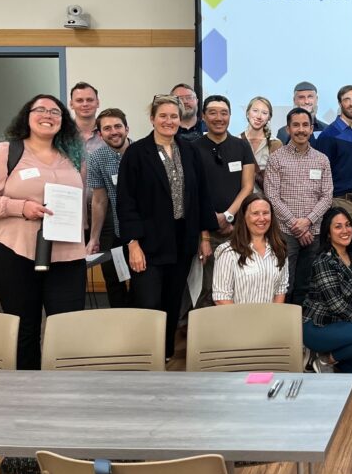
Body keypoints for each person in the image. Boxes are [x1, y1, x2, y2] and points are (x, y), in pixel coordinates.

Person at [0, 94, 87, 369]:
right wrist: (20, 207)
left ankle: (65, 388)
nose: (48, 115)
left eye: (55, 112)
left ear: (63, 120)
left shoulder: (73, 156)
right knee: (25, 329)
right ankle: (28, 388)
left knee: (67, 329)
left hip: (67, 254)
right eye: (40, 109)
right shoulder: (6, 152)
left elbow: (79, 203)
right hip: (13, 252)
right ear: (27, 116)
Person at [117, 94, 217, 359]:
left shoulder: (190, 151)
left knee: (173, 300)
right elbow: (126, 201)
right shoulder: (136, 153)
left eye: (174, 116)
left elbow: (201, 195)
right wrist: (133, 244)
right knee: (148, 302)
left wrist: (204, 237)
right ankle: (143, 355)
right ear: (152, 118)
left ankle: (166, 354)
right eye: (163, 115)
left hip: (182, 240)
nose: (169, 121)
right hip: (147, 242)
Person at [265, 107, 333, 306]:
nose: (301, 130)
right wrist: (296, 224)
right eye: (296, 125)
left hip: (314, 232)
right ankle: (282, 323)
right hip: (285, 233)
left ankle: (301, 322)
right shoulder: (276, 158)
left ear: (311, 129)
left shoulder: (322, 159)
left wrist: (308, 222)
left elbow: (327, 196)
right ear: (288, 129)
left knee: (307, 284)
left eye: (305, 125)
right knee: (283, 284)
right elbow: (272, 196)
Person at [194, 95, 256, 308]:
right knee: (207, 287)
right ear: (203, 116)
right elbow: (194, 191)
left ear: (230, 116)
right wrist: (206, 232)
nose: (219, 118)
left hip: (238, 229)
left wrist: (228, 216)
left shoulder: (242, 146)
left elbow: (247, 186)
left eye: (224, 113)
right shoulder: (193, 148)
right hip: (205, 232)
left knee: (239, 283)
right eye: (212, 113)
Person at [302, 207, 352, 374]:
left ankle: (331, 354)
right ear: (328, 233)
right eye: (338, 226)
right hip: (319, 326)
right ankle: (324, 360)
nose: (345, 230)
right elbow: (336, 305)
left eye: (348, 225)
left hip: (343, 322)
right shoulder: (324, 262)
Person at [85, 107, 132, 308]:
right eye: (107, 128)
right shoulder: (96, 158)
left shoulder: (143, 152)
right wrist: (94, 238)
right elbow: (99, 200)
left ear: (127, 129)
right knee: (114, 280)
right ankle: (120, 320)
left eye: (117, 126)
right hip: (114, 230)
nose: (113, 132)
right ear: (100, 134)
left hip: (145, 231)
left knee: (142, 281)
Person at [316, 85, 352, 256]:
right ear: (340, 103)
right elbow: (321, 174)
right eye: (347, 99)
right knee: (338, 250)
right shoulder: (328, 134)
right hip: (339, 201)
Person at [212, 194, 288, 305]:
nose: (262, 218)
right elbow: (221, 297)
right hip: (237, 316)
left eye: (265, 213)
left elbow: (281, 289)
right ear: (244, 217)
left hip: (270, 315)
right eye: (255, 213)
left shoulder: (279, 249)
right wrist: (244, 317)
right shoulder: (227, 252)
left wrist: (274, 315)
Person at [242, 96, 282, 191]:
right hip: (241, 198)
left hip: (266, 198)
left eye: (264, 113)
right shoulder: (236, 141)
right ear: (247, 113)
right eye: (255, 111)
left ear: (269, 118)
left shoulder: (275, 144)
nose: (259, 116)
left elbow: (279, 179)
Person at [69, 81, 103, 153]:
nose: (85, 104)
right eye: (79, 100)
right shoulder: (62, 133)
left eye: (90, 100)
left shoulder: (109, 132)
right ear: (71, 104)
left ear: (97, 103)